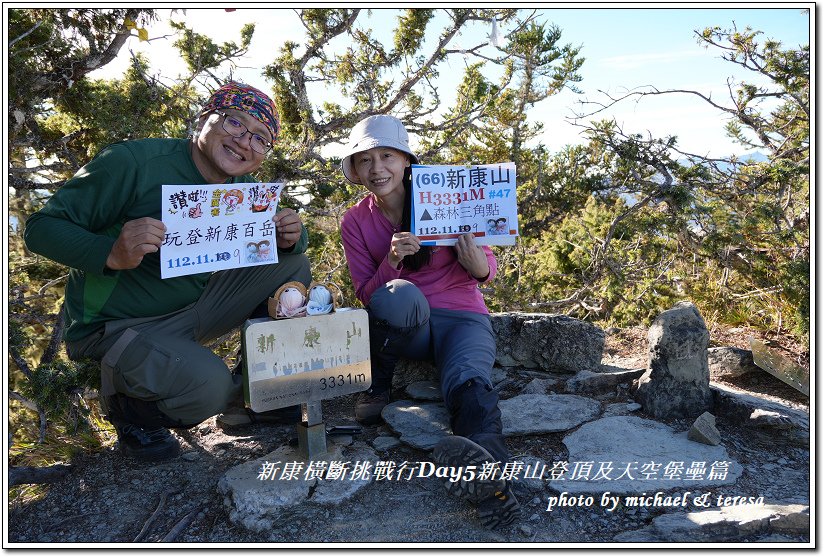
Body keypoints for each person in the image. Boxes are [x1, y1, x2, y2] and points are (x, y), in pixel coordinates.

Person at [24, 82, 312, 462]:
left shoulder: (243, 188)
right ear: (202, 119)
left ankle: (255, 395)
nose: (245, 142)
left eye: (261, 138)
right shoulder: (133, 163)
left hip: (196, 310)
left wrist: (293, 235)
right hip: (120, 326)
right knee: (208, 388)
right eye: (235, 123)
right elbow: (40, 229)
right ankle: (130, 412)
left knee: (292, 263)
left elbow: (279, 244)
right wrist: (109, 252)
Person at [339, 115, 520, 529]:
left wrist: (477, 265)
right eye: (364, 160)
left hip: (463, 315)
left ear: (406, 161)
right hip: (409, 323)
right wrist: (393, 261)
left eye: (386, 155)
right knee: (399, 295)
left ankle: (492, 480)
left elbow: (486, 270)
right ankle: (380, 382)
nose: (376, 169)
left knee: (471, 382)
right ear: (355, 169)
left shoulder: (447, 197)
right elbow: (368, 295)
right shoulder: (356, 221)